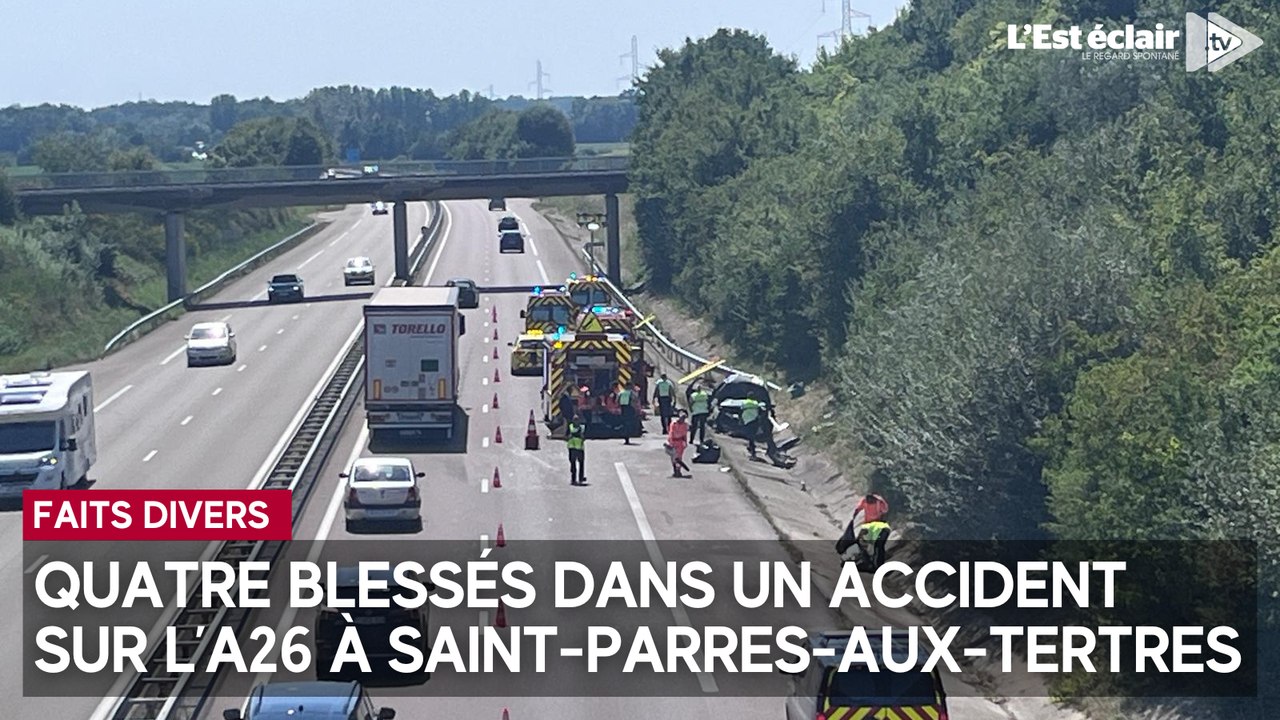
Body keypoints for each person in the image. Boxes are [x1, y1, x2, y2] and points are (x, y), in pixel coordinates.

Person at [667, 411, 691, 478]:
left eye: (684, 418)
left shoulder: (685, 425)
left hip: (680, 442)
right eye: (681, 417)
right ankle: (675, 470)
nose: (682, 419)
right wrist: (671, 443)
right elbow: (671, 433)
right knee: (674, 458)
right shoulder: (674, 424)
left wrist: (685, 442)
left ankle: (678, 470)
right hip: (674, 441)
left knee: (679, 457)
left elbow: (685, 434)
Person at [567, 413, 587, 486]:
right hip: (575, 448)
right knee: (575, 464)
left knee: (577, 464)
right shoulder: (580, 427)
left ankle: (577, 478)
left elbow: (566, 436)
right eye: (575, 420)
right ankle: (576, 478)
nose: (576, 421)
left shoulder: (572, 427)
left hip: (575, 448)